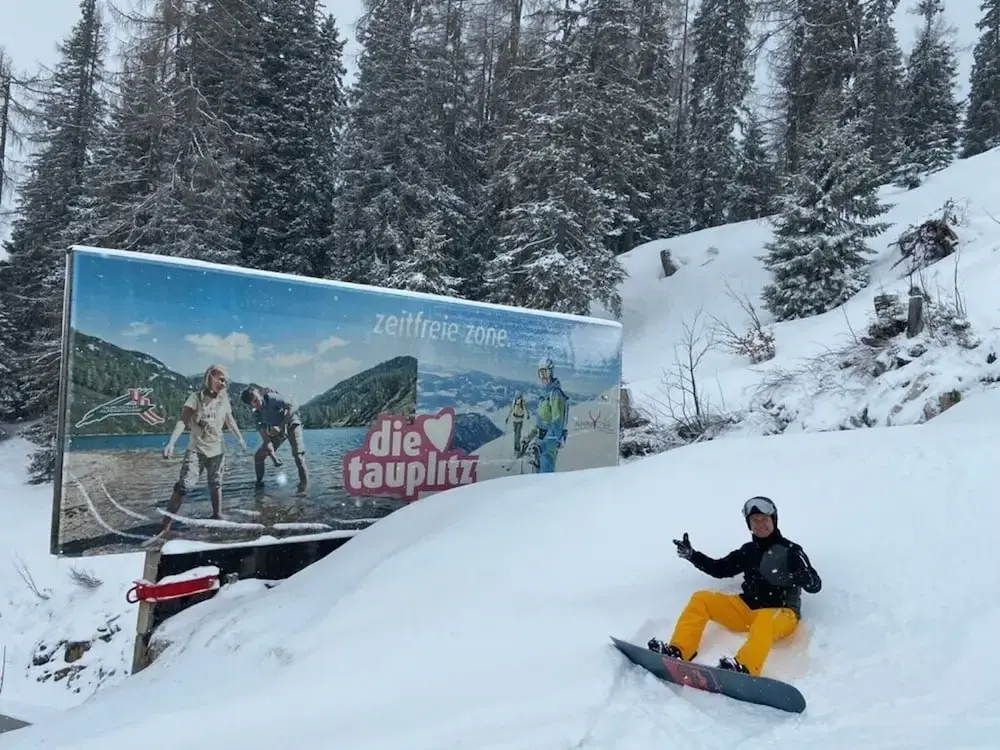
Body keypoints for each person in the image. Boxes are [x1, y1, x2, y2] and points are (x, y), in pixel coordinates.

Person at [647, 496, 821, 677]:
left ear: (774, 520)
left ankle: (744, 667)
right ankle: (678, 651)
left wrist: (802, 577)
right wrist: (692, 555)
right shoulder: (748, 550)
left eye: (764, 519)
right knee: (701, 599)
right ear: (749, 524)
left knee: (765, 620)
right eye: (755, 520)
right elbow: (720, 569)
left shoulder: (791, 550)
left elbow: (815, 585)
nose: (760, 524)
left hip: (782, 614)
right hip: (747, 610)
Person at [160, 365, 247, 536]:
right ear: (211, 376)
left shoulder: (224, 399)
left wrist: (240, 438)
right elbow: (182, 421)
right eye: (220, 379)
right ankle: (166, 525)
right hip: (197, 450)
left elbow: (230, 420)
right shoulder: (196, 398)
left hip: (218, 450)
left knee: (216, 484)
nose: (223, 383)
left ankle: (217, 514)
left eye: (225, 381)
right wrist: (171, 443)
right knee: (185, 486)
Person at [240, 384, 308, 493]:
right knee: (259, 456)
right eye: (254, 403)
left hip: (291, 423)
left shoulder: (272, 398)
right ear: (250, 404)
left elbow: (293, 407)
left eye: (257, 399)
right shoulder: (257, 415)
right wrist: (273, 457)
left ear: (260, 395)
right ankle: (259, 485)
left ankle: (303, 489)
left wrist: (281, 426)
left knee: (298, 455)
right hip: (277, 430)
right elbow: (267, 441)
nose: (258, 404)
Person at [532, 357, 568, 473]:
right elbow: (541, 422)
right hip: (540, 443)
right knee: (536, 477)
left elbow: (557, 423)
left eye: (545, 372)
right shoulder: (544, 395)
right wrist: (529, 437)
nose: (543, 377)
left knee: (545, 476)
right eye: (540, 373)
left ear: (551, 372)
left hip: (547, 446)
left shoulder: (555, 394)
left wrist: (545, 444)